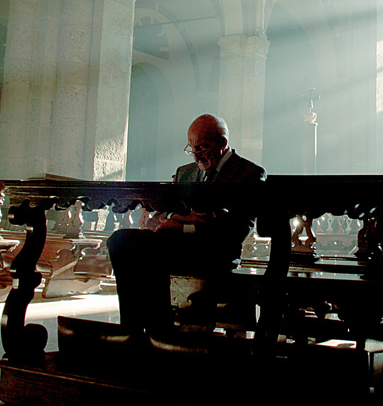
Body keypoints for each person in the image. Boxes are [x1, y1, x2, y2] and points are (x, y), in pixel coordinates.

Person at [107, 114, 266, 333]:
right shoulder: (186, 172)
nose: (195, 155)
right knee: (120, 240)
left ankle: (159, 330)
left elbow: (237, 230)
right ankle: (131, 329)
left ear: (223, 143)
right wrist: (177, 219)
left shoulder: (249, 174)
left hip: (214, 253)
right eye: (191, 148)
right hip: (175, 244)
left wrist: (184, 226)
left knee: (146, 248)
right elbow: (166, 212)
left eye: (202, 147)